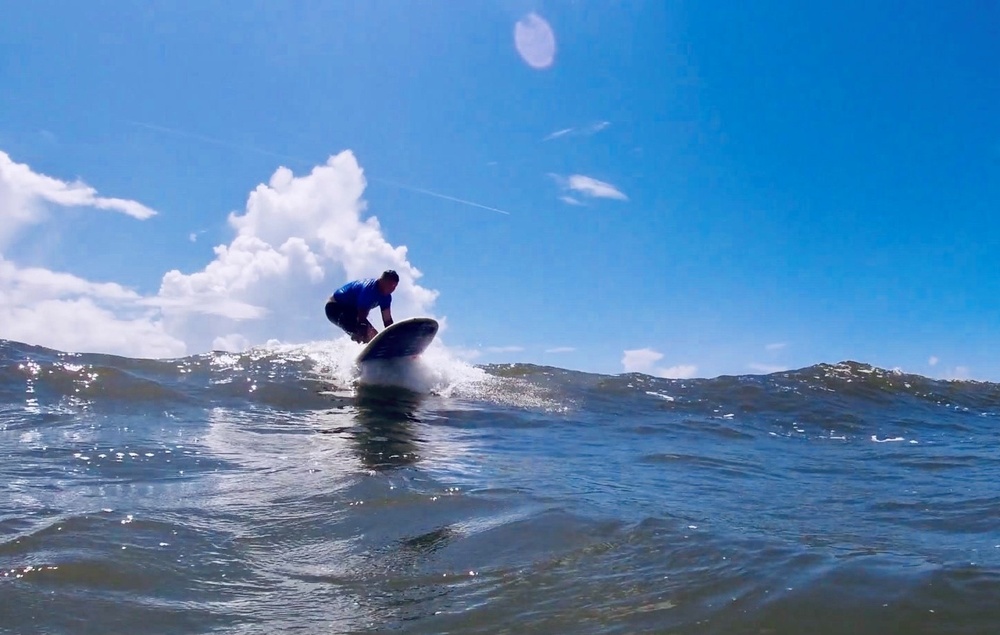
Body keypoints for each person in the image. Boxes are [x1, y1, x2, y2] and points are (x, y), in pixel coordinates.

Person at [325, 270, 399, 344]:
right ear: (382, 281)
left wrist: (394, 336)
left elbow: (387, 320)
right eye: (391, 285)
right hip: (335, 308)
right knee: (368, 335)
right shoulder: (370, 289)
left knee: (375, 338)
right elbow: (362, 314)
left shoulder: (386, 297)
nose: (392, 289)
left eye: (395, 286)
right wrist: (362, 330)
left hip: (352, 311)